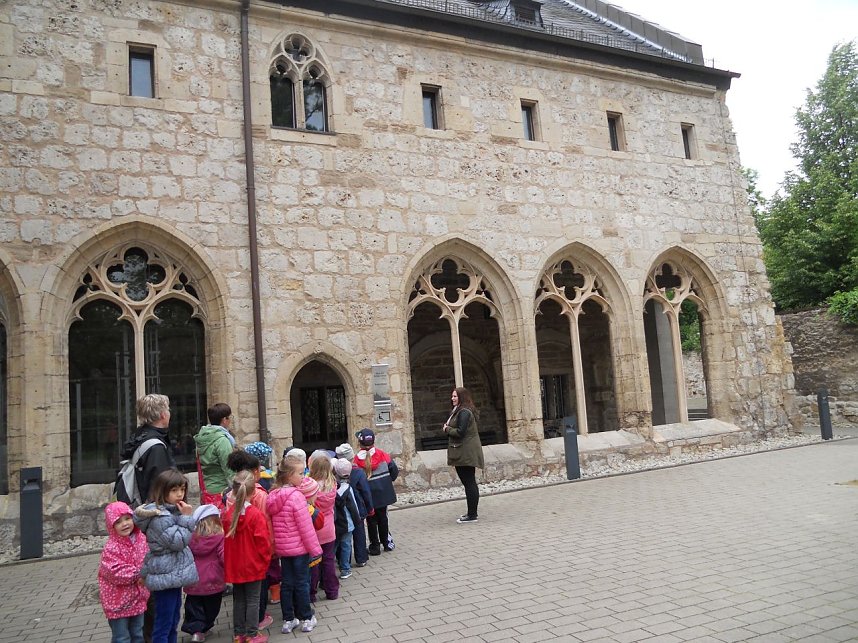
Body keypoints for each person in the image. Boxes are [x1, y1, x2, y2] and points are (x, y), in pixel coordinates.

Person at [134, 469, 198, 643]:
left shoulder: (171, 512)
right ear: (162, 491)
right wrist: (187, 518)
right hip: (165, 576)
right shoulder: (160, 517)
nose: (179, 494)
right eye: (174, 490)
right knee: (164, 623)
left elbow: (153, 552)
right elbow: (178, 542)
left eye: (182, 490)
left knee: (173, 620)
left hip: (171, 575)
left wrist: (144, 572)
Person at [266, 458, 322, 635]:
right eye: (300, 473)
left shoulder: (273, 495)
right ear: (290, 475)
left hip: (283, 549)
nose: (303, 476)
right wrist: (315, 549)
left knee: (287, 584)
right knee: (302, 583)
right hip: (298, 549)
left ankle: (288, 619)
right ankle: (306, 617)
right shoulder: (297, 497)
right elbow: (305, 526)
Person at [223, 470, 272, 643]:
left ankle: (239, 634)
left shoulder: (228, 516)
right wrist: (266, 561)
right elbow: (263, 544)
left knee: (239, 600)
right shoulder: (256, 516)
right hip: (253, 565)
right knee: (253, 600)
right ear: (253, 492)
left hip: (235, 566)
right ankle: (252, 634)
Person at [99, 501, 150, 643]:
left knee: (138, 634)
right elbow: (115, 571)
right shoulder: (111, 547)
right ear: (111, 526)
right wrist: (139, 573)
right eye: (118, 522)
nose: (125, 524)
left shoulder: (141, 539)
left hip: (138, 598)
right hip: (118, 602)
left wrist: (148, 570)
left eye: (128, 518)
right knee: (122, 637)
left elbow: (148, 558)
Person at [120, 394, 175, 509]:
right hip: (155, 510)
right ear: (163, 415)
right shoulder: (156, 446)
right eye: (168, 410)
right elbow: (160, 484)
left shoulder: (140, 435)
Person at [180, 505, 225, 643]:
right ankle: (204, 626)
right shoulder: (220, 537)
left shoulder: (191, 538)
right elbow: (224, 557)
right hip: (214, 578)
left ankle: (197, 630)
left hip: (194, 579)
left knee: (194, 606)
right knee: (212, 605)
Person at [442, 386, 485, 523]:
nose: (452, 398)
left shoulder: (464, 412)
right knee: (468, 482)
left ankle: (472, 515)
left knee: (469, 482)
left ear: (462, 397)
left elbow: (461, 432)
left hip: (466, 452)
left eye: (455, 396)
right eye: (452, 396)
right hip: (463, 451)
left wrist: (447, 429)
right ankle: (471, 513)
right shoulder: (459, 411)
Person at [353, 428, 398, 556]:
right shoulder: (382, 454)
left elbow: (355, 478)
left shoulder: (356, 460)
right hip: (383, 492)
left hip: (368, 495)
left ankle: (374, 546)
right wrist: (387, 482)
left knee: (371, 520)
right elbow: (393, 470)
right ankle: (387, 543)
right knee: (383, 517)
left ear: (359, 443)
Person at [307, 451, 338, 601]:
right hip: (329, 527)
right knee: (328, 560)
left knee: (313, 563)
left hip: (314, 527)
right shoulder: (332, 483)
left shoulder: (311, 486)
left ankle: (311, 593)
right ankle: (332, 591)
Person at [335, 443, 372, 567]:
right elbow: (366, 492)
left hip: (341, 511)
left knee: (343, 535)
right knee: (359, 532)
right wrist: (370, 507)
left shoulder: (335, 474)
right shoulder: (358, 473)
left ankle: (343, 560)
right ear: (352, 456)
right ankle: (361, 557)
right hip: (358, 507)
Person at [194, 403, 236, 507]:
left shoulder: (203, 437)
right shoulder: (222, 440)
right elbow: (229, 469)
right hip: (222, 490)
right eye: (230, 417)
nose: (231, 420)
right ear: (224, 420)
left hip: (207, 489)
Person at [332, 458, 360, 580]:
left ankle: (328, 569)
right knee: (346, 545)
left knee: (333, 546)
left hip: (335, 523)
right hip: (347, 523)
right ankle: (345, 569)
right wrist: (357, 519)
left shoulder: (332, 488)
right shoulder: (348, 489)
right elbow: (353, 506)